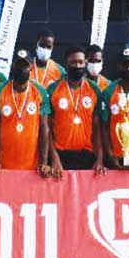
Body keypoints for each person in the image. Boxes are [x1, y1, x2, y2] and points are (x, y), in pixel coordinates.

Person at [0, 50, 50, 178]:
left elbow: (44, 128)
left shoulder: (40, 92)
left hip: (32, 167)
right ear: (12, 66)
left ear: (31, 67)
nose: (22, 69)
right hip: (3, 166)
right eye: (18, 65)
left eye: (25, 66)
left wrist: (43, 162)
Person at [44, 46, 105, 175]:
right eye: (73, 62)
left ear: (85, 64)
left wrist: (100, 158)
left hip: (87, 156)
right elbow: (47, 128)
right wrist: (54, 157)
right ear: (66, 65)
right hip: (60, 156)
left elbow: (97, 128)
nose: (77, 66)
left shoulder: (94, 89)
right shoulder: (53, 89)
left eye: (81, 62)